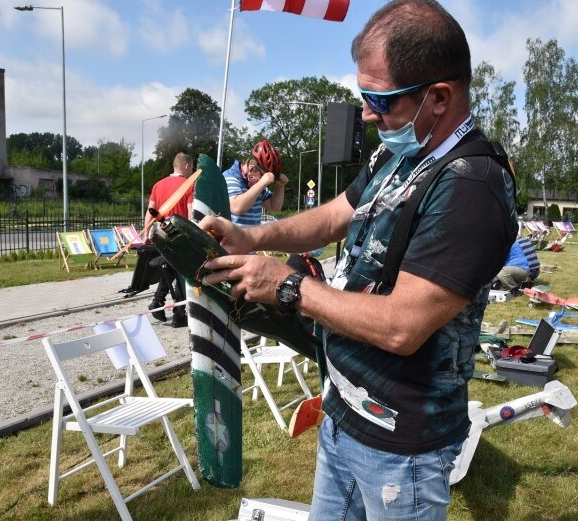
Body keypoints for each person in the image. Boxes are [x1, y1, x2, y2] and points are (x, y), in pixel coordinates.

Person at [197, 1, 517, 518]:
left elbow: (402, 326)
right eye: (363, 95)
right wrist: (250, 238)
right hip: (344, 413)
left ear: (439, 97)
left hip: (402, 449)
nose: (367, 113)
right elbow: (336, 215)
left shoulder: (471, 187)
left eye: (379, 99)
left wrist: (288, 286)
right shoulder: (399, 152)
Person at [145, 151, 194, 328]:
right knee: (181, 271)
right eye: (192, 167)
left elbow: (150, 210)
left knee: (170, 268)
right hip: (178, 235)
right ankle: (178, 313)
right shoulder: (188, 185)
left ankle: (157, 304)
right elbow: (190, 212)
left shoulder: (158, 185)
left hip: (160, 234)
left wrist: (146, 234)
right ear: (187, 166)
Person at [223, 139, 289, 225]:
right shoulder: (231, 177)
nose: (263, 178)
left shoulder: (256, 185)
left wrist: (280, 187)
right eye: (262, 174)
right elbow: (236, 207)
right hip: (231, 237)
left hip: (252, 237)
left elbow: (274, 206)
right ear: (252, 167)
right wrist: (262, 183)